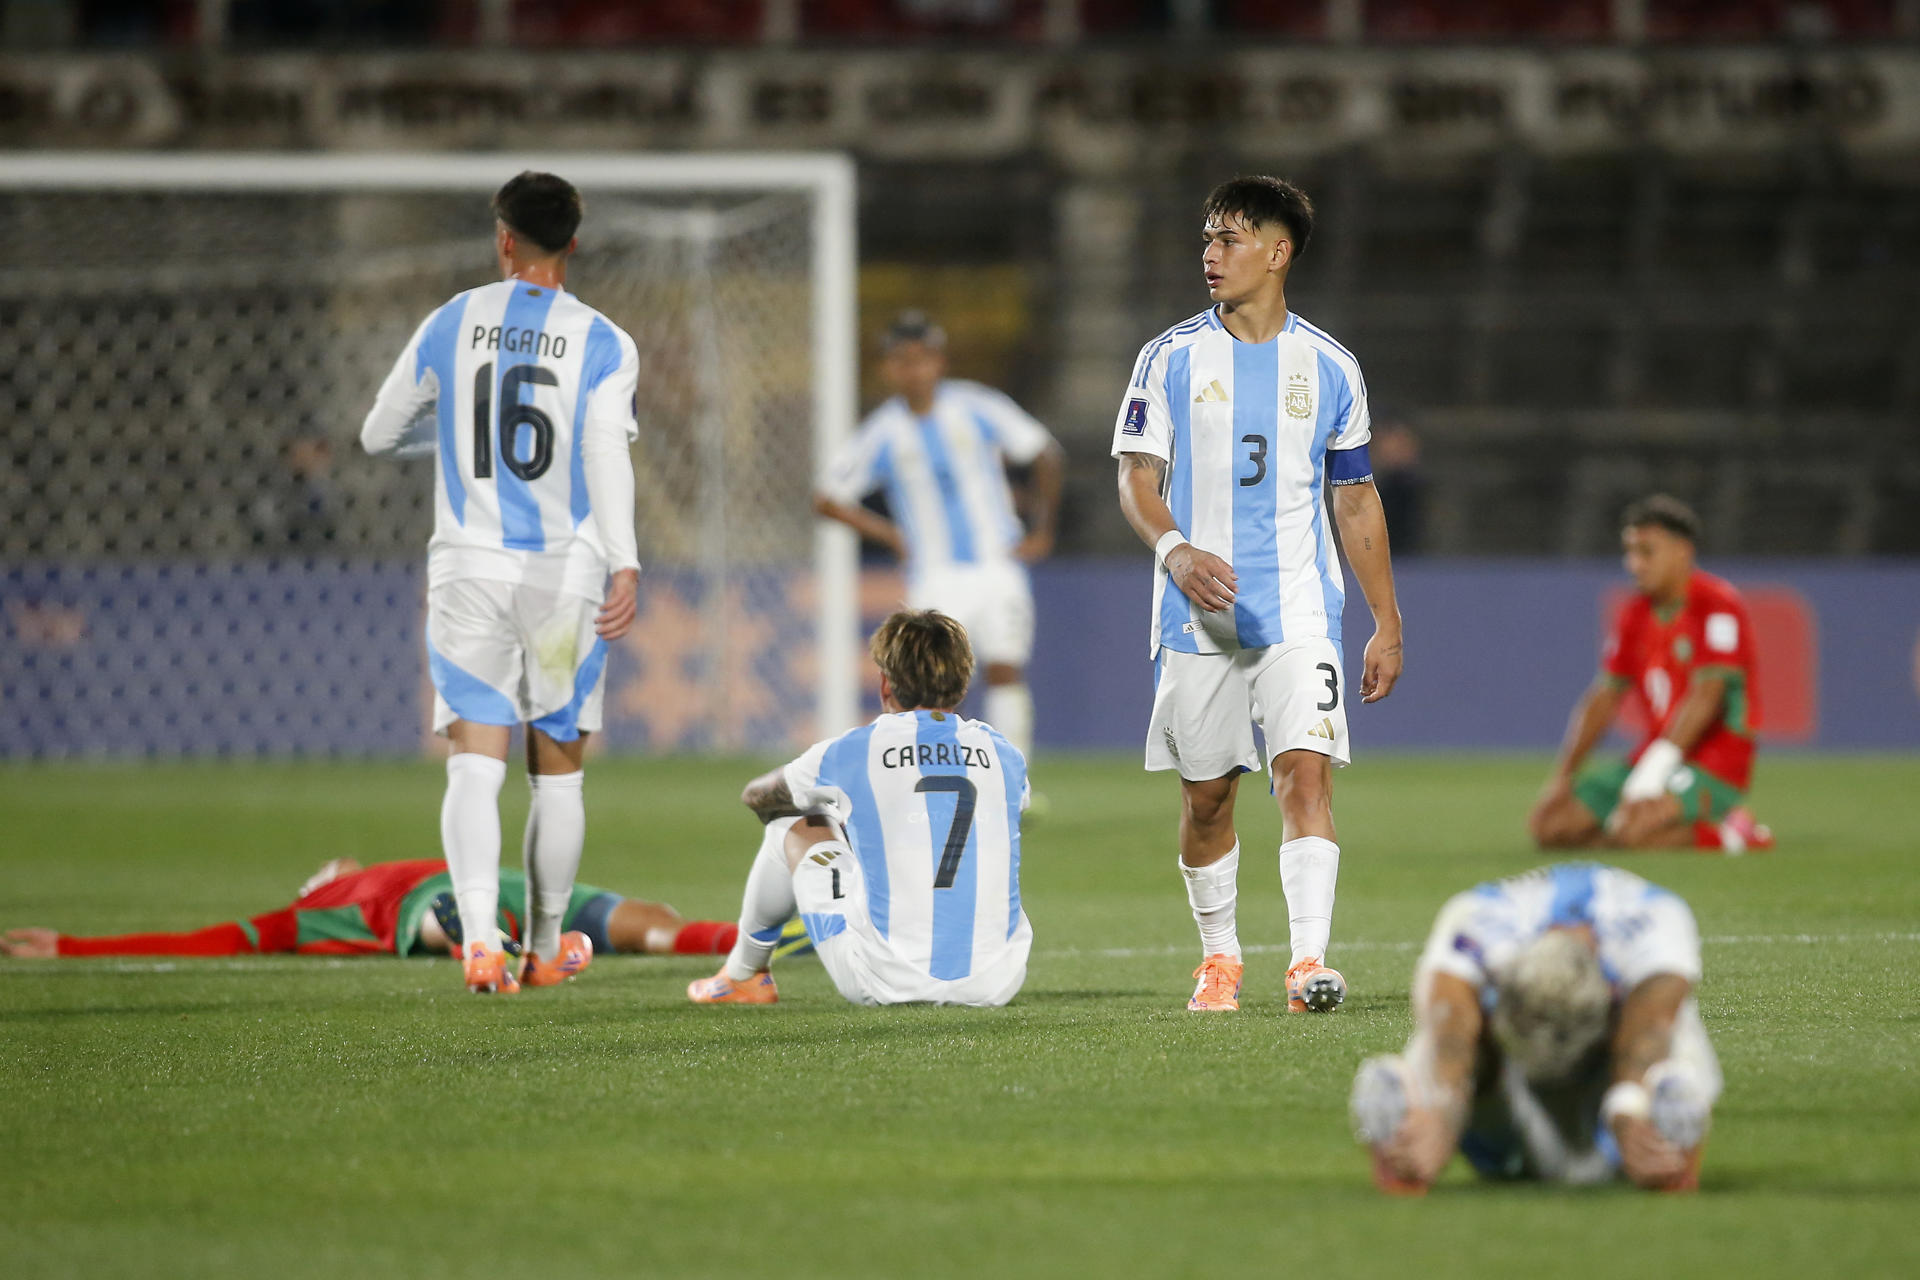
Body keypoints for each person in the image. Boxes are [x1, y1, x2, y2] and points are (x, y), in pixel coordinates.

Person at [1112, 175, 1404, 1013]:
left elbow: (1355, 499)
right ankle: (1220, 959)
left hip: (1300, 609)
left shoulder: (1331, 366)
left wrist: (1386, 620)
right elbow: (1136, 478)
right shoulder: (1168, 357)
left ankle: (1308, 962)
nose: (1210, 253)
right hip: (1196, 614)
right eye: (1207, 238)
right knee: (1208, 798)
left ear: (1277, 253)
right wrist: (1175, 551)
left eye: (1229, 238)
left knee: (1305, 777)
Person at [360, 171, 643, 993]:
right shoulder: (603, 340)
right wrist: (624, 559)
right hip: (565, 579)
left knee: (473, 764)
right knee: (558, 770)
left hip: (469, 570)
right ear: (573, 242)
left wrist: (451, 435)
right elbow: (603, 451)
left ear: (504, 238)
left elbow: (377, 436)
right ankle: (545, 949)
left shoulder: (452, 320)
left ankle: (480, 941)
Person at [688, 609, 1031, 1007]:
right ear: (962, 685)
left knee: (791, 821)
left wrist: (838, 823)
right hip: (996, 985)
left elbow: (757, 795)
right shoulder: (1005, 755)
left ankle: (743, 975)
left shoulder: (854, 750)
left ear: (885, 684)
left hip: (886, 984)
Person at [1349, 862, 1722, 1194]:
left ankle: (1666, 1132)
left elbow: (1650, 1027)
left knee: (1674, 1029)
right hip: (1507, 1054)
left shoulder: (1655, 922)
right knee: (1438, 1044)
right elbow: (1450, 1033)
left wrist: (1628, 1110)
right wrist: (1443, 1112)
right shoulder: (1473, 924)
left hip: (1604, 1056)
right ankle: (1407, 1133)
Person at [814, 311, 1065, 760]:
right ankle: (942, 774)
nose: (914, 370)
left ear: (939, 362)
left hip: (997, 564)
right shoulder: (883, 432)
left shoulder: (977, 406)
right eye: (903, 360)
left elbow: (1044, 452)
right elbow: (827, 498)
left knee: (1005, 669)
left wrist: (1042, 531)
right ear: (888, 368)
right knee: (936, 684)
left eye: (922, 358)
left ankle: (1014, 778)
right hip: (934, 574)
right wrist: (890, 534)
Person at [1527, 494, 1772, 853]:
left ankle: (1737, 834)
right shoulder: (1634, 614)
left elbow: (1708, 694)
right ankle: (1635, 831)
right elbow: (1604, 697)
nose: (1635, 564)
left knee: (1635, 832)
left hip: (1714, 763)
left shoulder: (1717, 605)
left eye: (1647, 552)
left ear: (1681, 551)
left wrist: (1655, 771)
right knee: (1551, 826)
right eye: (1630, 552)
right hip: (1652, 755)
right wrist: (1564, 776)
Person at [0, 857, 736, 964]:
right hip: (470, 888)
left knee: (654, 919)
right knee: (653, 927)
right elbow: (210, 938)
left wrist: (74, 946)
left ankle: (483, 939)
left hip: (494, 883)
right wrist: (73, 946)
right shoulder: (313, 911)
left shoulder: (336, 897)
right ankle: (486, 938)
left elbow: (213, 938)